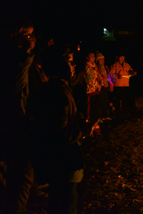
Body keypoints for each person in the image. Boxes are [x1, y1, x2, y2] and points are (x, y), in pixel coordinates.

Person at [30, 45, 85, 214]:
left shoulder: (56, 90)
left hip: (60, 166)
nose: (73, 64)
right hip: (63, 165)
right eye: (69, 61)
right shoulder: (57, 93)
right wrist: (83, 128)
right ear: (58, 65)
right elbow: (59, 135)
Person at [0, 18, 36, 213]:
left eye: (32, 35)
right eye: (27, 35)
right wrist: (27, 54)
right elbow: (16, 87)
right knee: (21, 176)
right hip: (12, 124)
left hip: (15, 122)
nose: (31, 39)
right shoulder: (13, 59)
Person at [84, 51, 102, 135]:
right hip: (91, 90)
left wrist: (101, 83)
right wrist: (97, 85)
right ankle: (88, 128)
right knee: (90, 110)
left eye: (94, 56)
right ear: (87, 57)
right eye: (91, 56)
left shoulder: (95, 66)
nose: (93, 58)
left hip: (97, 90)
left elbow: (98, 75)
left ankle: (95, 125)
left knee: (96, 108)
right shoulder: (87, 67)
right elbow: (89, 79)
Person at [96, 52, 112, 121]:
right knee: (100, 102)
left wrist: (110, 84)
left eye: (103, 59)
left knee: (106, 101)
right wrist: (102, 78)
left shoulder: (105, 67)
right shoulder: (97, 68)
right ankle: (100, 116)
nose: (103, 61)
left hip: (105, 86)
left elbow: (108, 76)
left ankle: (105, 115)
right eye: (101, 59)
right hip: (101, 87)